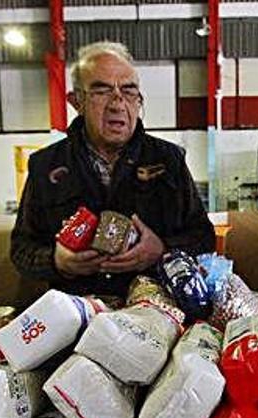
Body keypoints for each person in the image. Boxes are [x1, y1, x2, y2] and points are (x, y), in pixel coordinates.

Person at [11, 41, 214, 299]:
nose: (118, 103)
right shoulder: (45, 166)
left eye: (129, 91)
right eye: (102, 91)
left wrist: (161, 249)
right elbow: (21, 250)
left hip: (155, 312)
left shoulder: (169, 159)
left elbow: (203, 237)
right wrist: (56, 261)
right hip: (76, 314)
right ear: (77, 102)